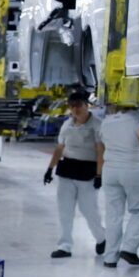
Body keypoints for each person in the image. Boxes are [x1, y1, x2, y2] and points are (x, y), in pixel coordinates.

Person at [94, 99, 139, 269]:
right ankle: (129, 248)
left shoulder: (106, 122)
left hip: (110, 171)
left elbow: (101, 147)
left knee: (113, 214)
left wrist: (98, 173)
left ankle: (110, 258)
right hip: (133, 169)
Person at [45, 88, 105, 259]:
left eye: (78, 105)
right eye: (72, 106)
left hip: (87, 172)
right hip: (67, 170)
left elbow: (101, 151)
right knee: (64, 210)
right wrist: (49, 169)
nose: (75, 109)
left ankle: (102, 238)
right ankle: (64, 245)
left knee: (89, 210)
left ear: (87, 106)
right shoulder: (67, 124)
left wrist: (100, 175)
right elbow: (59, 148)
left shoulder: (97, 125)